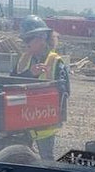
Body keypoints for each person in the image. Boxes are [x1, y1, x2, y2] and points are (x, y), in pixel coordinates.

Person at [11, 15, 69, 160]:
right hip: (23, 119)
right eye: (24, 39)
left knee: (46, 159)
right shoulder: (23, 59)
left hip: (44, 123)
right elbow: (11, 84)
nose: (25, 43)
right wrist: (30, 74)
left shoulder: (55, 61)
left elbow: (65, 91)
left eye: (28, 39)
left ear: (41, 38)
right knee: (22, 157)